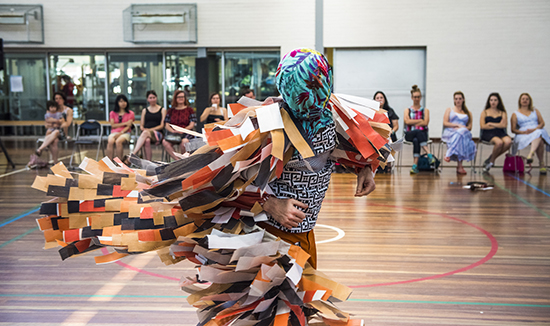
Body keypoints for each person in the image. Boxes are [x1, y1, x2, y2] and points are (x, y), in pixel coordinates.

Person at [511, 93, 549, 174]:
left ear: (529, 101)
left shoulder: (535, 110)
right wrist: (523, 132)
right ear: (520, 101)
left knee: (539, 133)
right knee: (540, 141)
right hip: (524, 132)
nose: (525, 100)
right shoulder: (515, 114)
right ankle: (541, 164)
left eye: (527, 99)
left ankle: (531, 154)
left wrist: (534, 129)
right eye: (523, 99)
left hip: (536, 129)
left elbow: (542, 123)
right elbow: (513, 129)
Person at [441, 91, 476, 174]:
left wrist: (462, 128)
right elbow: (445, 123)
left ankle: (449, 153)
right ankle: (460, 166)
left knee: (462, 133)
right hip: (451, 132)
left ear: (463, 100)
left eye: (460, 99)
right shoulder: (449, 110)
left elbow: (469, 127)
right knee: (460, 138)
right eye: (456, 99)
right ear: (454, 100)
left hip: (465, 132)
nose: (458, 100)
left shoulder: (468, 113)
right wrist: (457, 126)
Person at [403, 85, 434, 174]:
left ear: (420, 97)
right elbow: (407, 121)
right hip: (409, 133)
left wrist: (412, 121)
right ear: (412, 97)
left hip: (422, 134)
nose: (416, 99)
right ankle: (428, 153)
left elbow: (425, 123)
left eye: (418, 97)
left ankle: (415, 166)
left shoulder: (425, 110)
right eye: (415, 97)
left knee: (417, 139)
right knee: (416, 132)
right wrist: (420, 120)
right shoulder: (407, 110)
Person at [34, 93, 73, 163]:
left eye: (60, 98)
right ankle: (55, 162)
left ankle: (41, 148)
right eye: (56, 98)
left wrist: (56, 123)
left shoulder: (68, 110)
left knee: (56, 132)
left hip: (62, 132)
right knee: (54, 141)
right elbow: (46, 124)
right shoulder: (50, 110)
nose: (58, 100)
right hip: (52, 132)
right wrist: (54, 124)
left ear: (63, 100)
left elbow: (67, 123)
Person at [129, 90, 166, 161]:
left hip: (158, 134)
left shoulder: (162, 110)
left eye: (153, 97)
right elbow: (141, 126)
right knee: (147, 140)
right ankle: (148, 162)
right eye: (150, 98)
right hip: (147, 134)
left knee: (145, 133)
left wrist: (149, 130)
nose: (152, 99)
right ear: (147, 99)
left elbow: (162, 125)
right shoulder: (145, 110)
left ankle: (133, 154)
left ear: (156, 98)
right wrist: (146, 130)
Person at [480, 92, 512, 172]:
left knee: (508, 142)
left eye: (495, 100)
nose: (493, 102)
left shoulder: (502, 112)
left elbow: (504, 125)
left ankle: (491, 158)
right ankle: (491, 162)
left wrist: (491, 123)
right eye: (491, 100)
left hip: (500, 132)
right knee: (499, 143)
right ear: (489, 101)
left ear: (498, 101)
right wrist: (498, 124)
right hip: (488, 133)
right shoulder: (485, 112)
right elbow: (483, 126)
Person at [162, 90, 196, 161]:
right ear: (175, 98)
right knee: (165, 142)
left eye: (182, 97)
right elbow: (166, 124)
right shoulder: (171, 111)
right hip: (173, 132)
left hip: (186, 132)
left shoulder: (189, 110)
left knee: (184, 142)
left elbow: (192, 124)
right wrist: (173, 131)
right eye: (179, 97)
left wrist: (183, 130)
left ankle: (184, 160)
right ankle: (177, 160)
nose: (181, 98)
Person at [374, 91, 398, 173]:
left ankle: (388, 164)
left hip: (389, 134)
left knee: (387, 140)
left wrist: (391, 131)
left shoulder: (390, 111)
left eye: (381, 98)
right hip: (377, 133)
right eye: (377, 98)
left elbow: (396, 126)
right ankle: (378, 164)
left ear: (384, 99)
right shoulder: (373, 111)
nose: (379, 99)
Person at [106, 95, 135, 160]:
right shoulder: (112, 113)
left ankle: (119, 162)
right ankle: (109, 162)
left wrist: (120, 133)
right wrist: (125, 123)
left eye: (124, 101)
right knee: (110, 141)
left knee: (118, 141)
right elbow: (113, 125)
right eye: (121, 101)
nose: (123, 103)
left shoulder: (131, 113)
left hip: (125, 132)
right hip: (114, 132)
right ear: (117, 103)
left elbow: (128, 126)